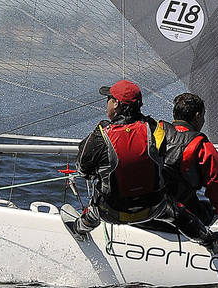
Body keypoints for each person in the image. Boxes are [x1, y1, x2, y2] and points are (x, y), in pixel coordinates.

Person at [69, 79, 170, 229]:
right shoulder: (155, 129)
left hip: (112, 212)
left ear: (116, 103)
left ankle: (80, 228)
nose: (107, 104)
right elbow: (162, 158)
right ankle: (204, 238)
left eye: (108, 99)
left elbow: (83, 170)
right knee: (175, 210)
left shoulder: (101, 135)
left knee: (95, 209)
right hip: (153, 209)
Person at [162, 91, 218, 230]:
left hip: (146, 210)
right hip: (178, 218)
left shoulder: (154, 133)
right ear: (197, 116)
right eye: (203, 116)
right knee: (213, 212)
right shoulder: (201, 146)